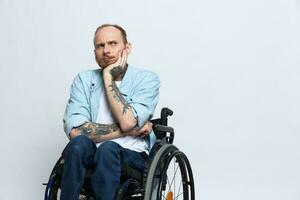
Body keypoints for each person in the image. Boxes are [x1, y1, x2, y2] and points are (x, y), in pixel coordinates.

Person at [61, 24, 160, 200]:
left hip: (132, 155)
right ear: (95, 52)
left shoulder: (146, 79)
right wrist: (128, 130)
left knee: (108, 149)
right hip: (93, 152)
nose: (106, 50)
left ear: (127, 48)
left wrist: (108, 78)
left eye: (113, 43)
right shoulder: (84, 80)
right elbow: (76, 132)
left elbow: (128, 121)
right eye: (100, 46)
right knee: (77, 146)